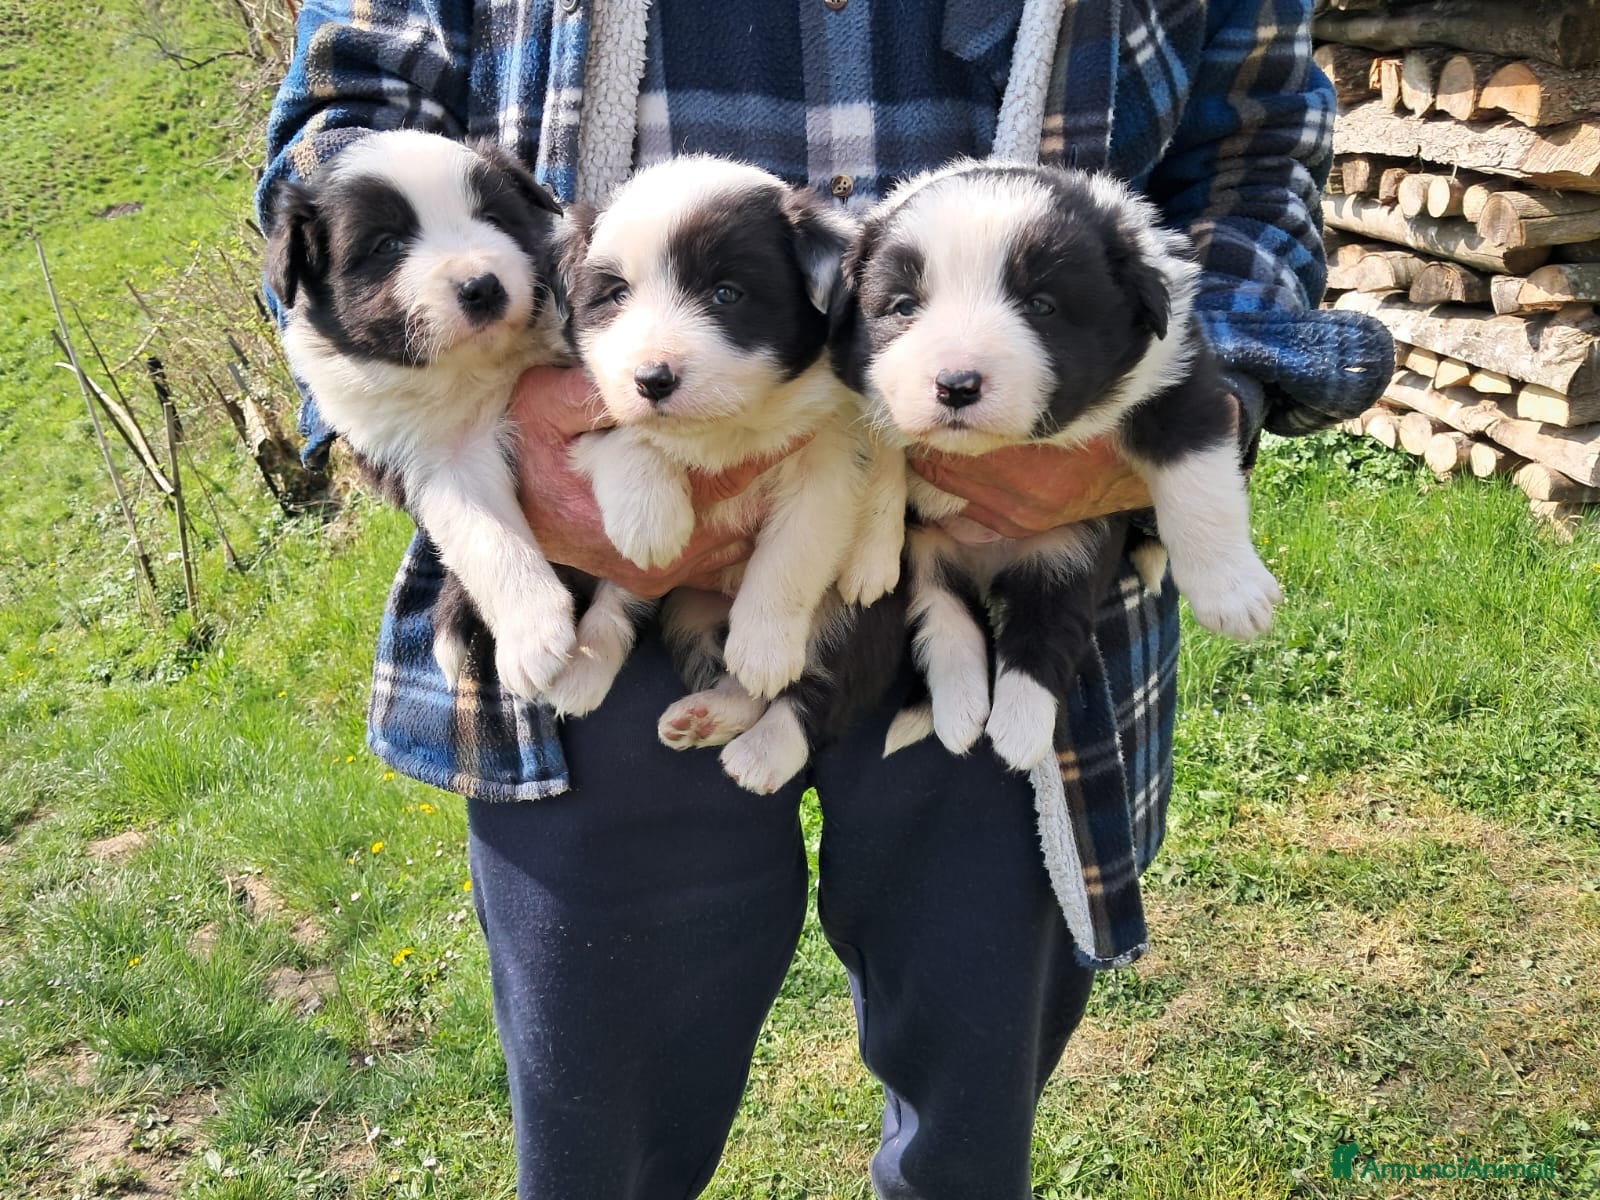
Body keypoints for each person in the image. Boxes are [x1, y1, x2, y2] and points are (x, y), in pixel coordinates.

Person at [259, 3, 1391, 1196]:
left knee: (972, 1110)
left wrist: (1191, 393)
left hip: (1024, 577)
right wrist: (471, 448)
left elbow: (1254, 149)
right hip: (581, 559)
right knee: (603, 1131)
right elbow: (340, 141)